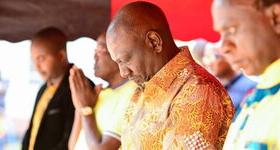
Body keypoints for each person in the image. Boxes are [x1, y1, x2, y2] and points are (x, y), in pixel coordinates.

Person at [106, 2, 235, 149]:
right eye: (118, 63)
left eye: (126, 60)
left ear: (154, 42)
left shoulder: (198, 91)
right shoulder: (141, 89)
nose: (123, 73)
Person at [212, 0, 280, 149]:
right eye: (221, 34)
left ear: (276, 17)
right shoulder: (254, 99)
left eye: (231, 30)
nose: (223, 48)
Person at [22, 27, 92, 150]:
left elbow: (73, 139)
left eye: (41, 58)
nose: (37, 67)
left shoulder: (79, 87)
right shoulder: (43, 89)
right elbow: (33, 129)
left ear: (61, 56)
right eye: (34, 61)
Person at [68, 33, 136, 150]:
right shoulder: (99, 94)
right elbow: (72, 146)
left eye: (100, 49)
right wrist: (80, 107)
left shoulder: (133, 92)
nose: (95, 57)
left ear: (118, 53)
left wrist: (86, 111)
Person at [202, 42, 257, 109]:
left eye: (212, 57)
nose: (209, 63)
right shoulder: (211, 93)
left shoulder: (251, 84)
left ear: (227, 56)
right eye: (206, 59)